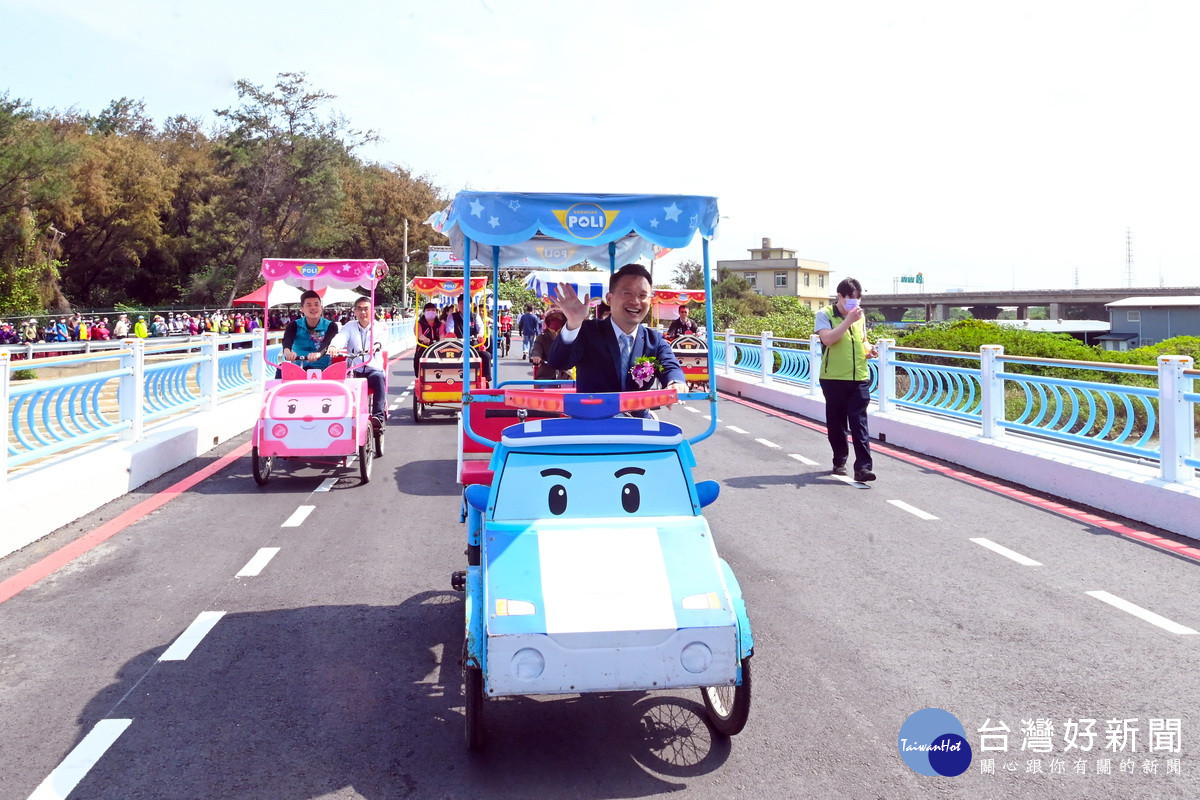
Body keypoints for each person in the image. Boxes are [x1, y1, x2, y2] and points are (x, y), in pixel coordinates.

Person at [547, 263, 687, 398]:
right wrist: (573, 323)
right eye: (627, 293)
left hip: (636, 420)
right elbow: (558, 362)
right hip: (593, 419)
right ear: (609, 298)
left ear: (650, 302)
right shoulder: (588, 331)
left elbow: (670, 366)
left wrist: (676, 382)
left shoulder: (654, 340)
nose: (635, 301)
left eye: (642, 295)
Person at [816, 277, 878, 482]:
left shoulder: (859, 316)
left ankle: (863, 468)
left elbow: (862, 340)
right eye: (850, 299)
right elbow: (828, 339)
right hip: (833, 378)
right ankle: (839, 459)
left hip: (859, 377)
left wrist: (870, 351)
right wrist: (847, 321)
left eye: (858, 299)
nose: (855, 304)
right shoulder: (824, 314)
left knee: (859, 423)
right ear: (839, 297)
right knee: (837, 424)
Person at [329, 295, 388, 428]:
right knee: (342, 386)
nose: (362, 312)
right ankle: (345, 416)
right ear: (355, 311)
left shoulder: (381, 326)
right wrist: (334, 346)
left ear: (372, 311)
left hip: (372, 369)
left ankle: (378, 416)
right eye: (359, 309)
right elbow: (341, 337)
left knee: (379, 378)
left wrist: (376, 346)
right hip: (355, 370)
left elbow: (381, 340)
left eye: (366, 309)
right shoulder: (349, 326)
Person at [279, 290, 339, 377]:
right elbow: (287, 340)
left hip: (322, 369)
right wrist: (287, 352)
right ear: (302, 309)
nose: (313, 308)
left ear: (321, 307)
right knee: (280, 373)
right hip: (298, 368)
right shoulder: (293, 325)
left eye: (316, 304)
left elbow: (327, 343)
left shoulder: (331, 326)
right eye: (309, 305)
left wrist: (318, 354)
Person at [529, 308, 572, 381]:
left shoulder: (570, 336)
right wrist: (536, 356)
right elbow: (537, 349)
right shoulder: (541, 337)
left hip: (567, 377)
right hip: (546, 376)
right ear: (546, 321)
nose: (555, 320)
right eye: (552, 318)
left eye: (558, 317)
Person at [414, 302, 442, 374]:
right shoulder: (419, 324)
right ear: (424, 312)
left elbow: (442, 334)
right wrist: (424, 339)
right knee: (418, 358)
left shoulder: (441, 324)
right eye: (428, 310)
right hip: (424, 347)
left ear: (436, 312)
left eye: (433, 310)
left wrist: (442, 340)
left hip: (438, 347)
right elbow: (419, 334)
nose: (431, 312)